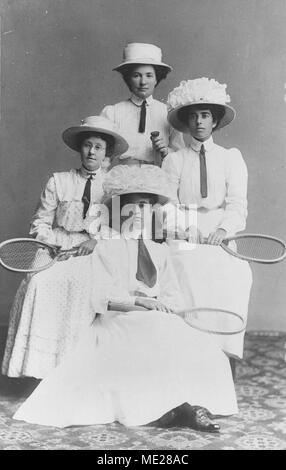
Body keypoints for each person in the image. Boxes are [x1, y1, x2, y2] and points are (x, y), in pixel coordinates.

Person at [12, 165, 238, 432]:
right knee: (149, 336)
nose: (140, 213)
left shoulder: (159, 250)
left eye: (146, 206)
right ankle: (180, 408)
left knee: (196, 342)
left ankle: (184, 404)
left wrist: (167, 307)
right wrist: (139, 302)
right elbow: (101, 298)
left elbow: (172, 293)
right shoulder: (106, 246)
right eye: (133, 206)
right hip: (120, 319)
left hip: (155, 316)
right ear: (121, 209)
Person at [2, 116, 129, 378]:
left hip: (96, 249)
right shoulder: (59, 181)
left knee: (84, 286)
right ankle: (40, 369)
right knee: (39, 282)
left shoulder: (114, 186)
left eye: (98, 147)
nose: (91, 152)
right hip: (56, 248)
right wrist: (49, 245)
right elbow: (41, 221)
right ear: (79, 148)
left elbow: (119, 228)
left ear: (107, 153)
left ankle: (75, 372)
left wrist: (96, 241)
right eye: (87, 145)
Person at [162, 78, 253, 369]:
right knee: (183, 268)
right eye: (193, 116)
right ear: (186, 122)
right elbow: (167, 203)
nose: (199, 122)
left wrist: (223, 230)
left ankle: (224, 357)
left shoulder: (231, 158)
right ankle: (190, 357)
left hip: (219, 230)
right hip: (184, 232)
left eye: (205, 116)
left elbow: (237, 203)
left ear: (214, 121)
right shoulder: (174, 161)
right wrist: (186, 227)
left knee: (235, 272)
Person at [101, 42, 185, 167]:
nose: (143, 82)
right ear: (128, 78)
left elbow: (180, 155)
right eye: (136, 76)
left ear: (157, 78)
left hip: (158, 179)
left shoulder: (168, 113)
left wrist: (166, 151)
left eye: (149, 75)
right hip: (122, 179)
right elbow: (102, 154)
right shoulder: (113, 112)